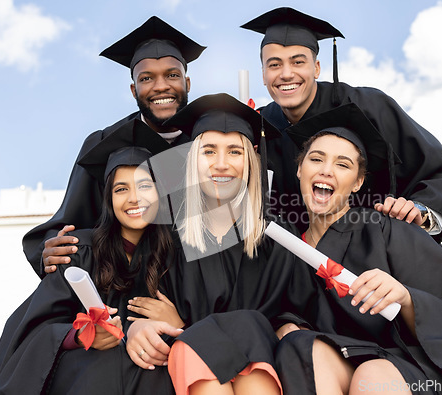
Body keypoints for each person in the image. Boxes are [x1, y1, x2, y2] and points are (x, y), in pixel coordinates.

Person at [273, 103, 442, 394]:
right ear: (300, 169)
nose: (327, 170)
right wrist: (286, 326)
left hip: (413, 368)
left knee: (372, 373)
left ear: (358, 182)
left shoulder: (390, 230)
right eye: (316, 159)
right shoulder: (287, 247)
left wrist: (407, 299)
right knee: (302, 348)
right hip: (342, 359)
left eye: (343, 164)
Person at [125, 93, 333, 395]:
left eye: (235, 152)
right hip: (187, 365)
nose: (221, 165)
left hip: (263, 363)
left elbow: (297, 312)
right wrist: (137, 328)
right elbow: (138, 306)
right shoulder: (164, 235)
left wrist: (186, 324)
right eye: (209, 152)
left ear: (250, 159)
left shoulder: (277, 236)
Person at [241, 7, 442, 246]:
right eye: (274, 65)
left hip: (376, 258)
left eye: (298, 62)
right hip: (293, 267)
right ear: (263, 74)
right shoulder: (258, 126)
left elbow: (439, 171)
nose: (286, 74)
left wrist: (419, 211)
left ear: (316, 68)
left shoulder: (369, 107)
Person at [0, 119, 184, 394]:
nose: (134, 198)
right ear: (108, 198)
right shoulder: (80, 250)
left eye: (145, 186)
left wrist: (177, 321)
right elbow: (35, 331)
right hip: (87, 377)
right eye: (121, 189)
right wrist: (81, 335)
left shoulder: (175, 255)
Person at [22, 16, 206, 276]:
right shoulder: (104, 143)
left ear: (187, 83)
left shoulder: (209, 144)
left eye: (172, 75)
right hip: (122, 283)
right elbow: (71, 220)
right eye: (146, 79)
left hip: (196, 285)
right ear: (133, 90)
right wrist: (49, 249)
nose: (161, 86)